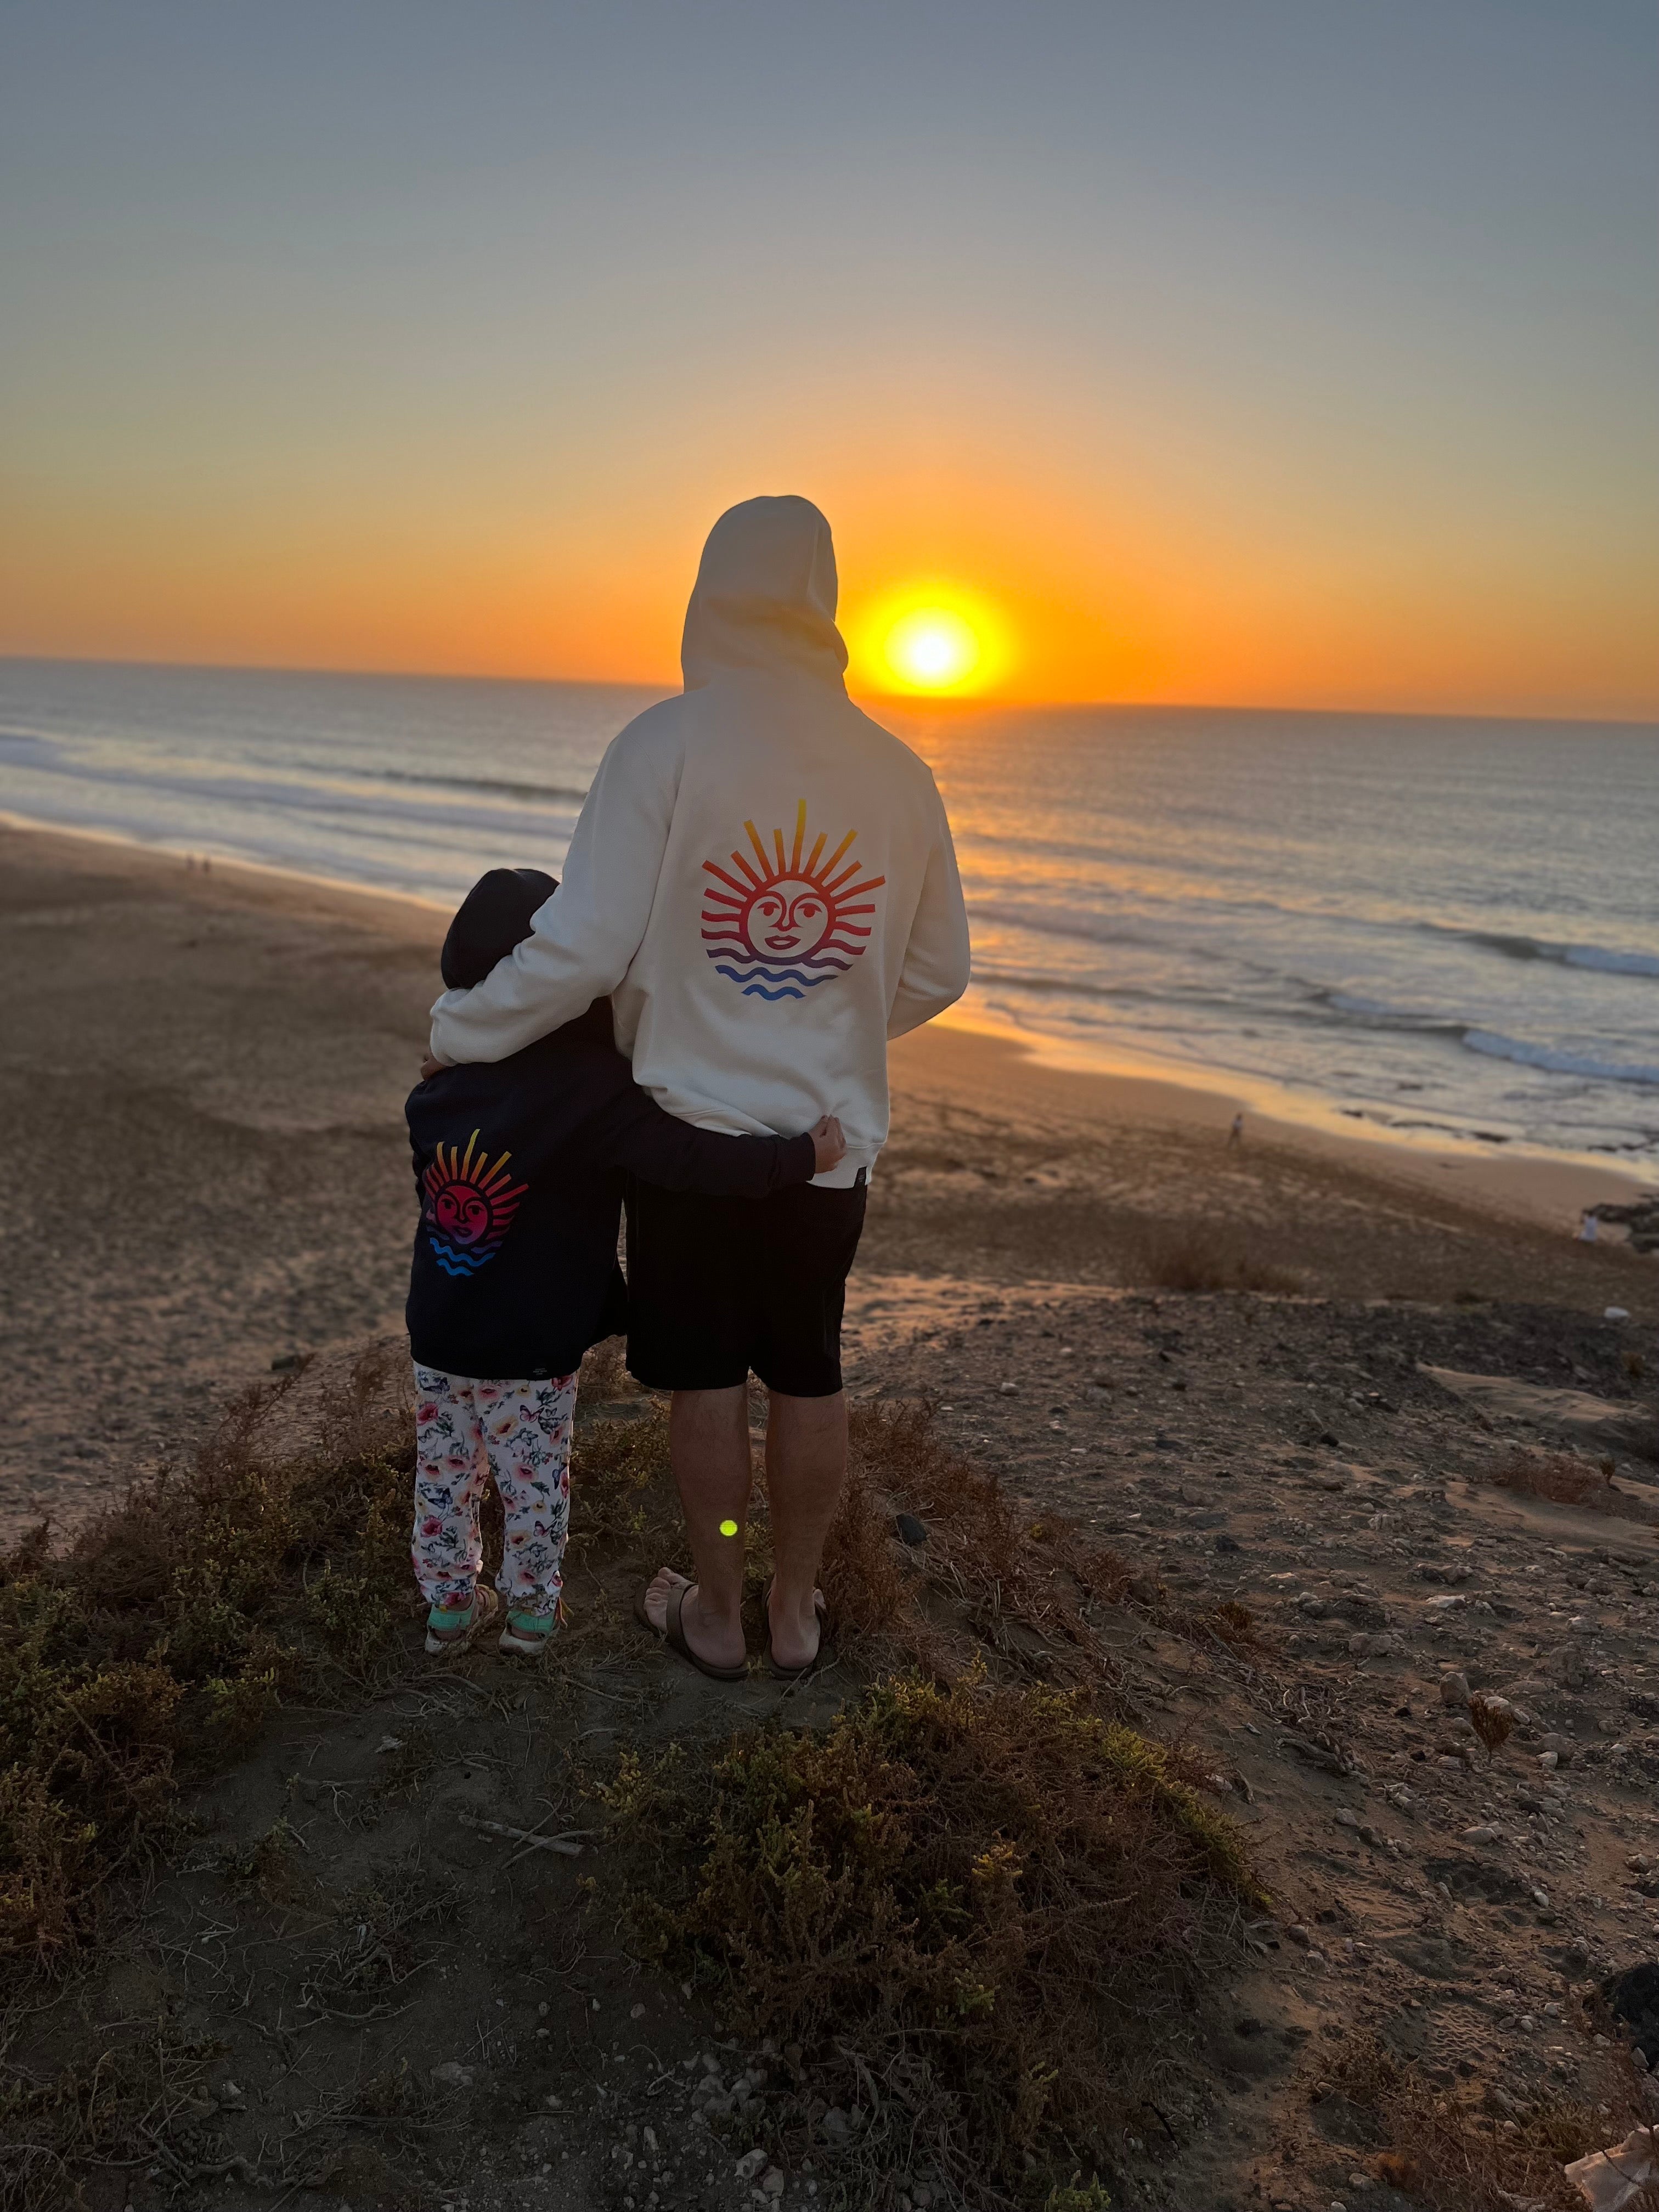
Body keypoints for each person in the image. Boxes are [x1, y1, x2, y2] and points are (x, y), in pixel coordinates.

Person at [425, 495, 970, 1679]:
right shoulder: (899, 770)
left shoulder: (662, 744)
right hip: (828, 1150)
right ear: (828, 603)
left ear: (709, 593)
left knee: (709, 1383)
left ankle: (717, 1609)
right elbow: (940, 971)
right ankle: (797, 1612)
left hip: (683, 1140)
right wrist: (828, 1018)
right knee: (810, 1373)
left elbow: (581, 946)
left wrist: (465, 1027)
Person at [407, 865, 845, 1658]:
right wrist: (796, 1159)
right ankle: (530, 1616)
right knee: (532, 1480)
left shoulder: (438, 1091)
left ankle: (446, 1611)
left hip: (440, 1328)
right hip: (531, 1340)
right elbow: (688, 1158)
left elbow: (438, 1199)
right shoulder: (590, 1089)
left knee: (444, 1478)